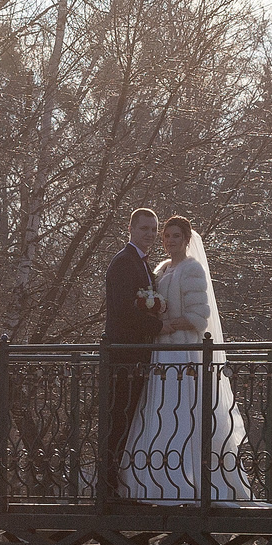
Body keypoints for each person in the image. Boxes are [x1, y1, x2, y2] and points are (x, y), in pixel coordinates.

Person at [118, 215, 255, 504]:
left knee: (184, 411)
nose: (169, 241)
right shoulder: (162, 268)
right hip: (161, 352)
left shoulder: (192, 269)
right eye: (166, 236)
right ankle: (156, 478)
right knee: (161, 410)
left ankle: (188, 478)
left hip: (181, 351)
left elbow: (199, 316)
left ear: (187, 239)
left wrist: (167, 325)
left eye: (175, 236)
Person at [101, 207, 163, 499]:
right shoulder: (125, 262)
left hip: (135, 355)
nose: (149, 234)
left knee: (127, 417)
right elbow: (126, 310)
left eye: (153, 229)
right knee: (119, 416)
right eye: (144, 229)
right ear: (131, 229)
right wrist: (161, 326)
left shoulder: (140, 264)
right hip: (124, 356)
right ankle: (107, 485)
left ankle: (117, 482)